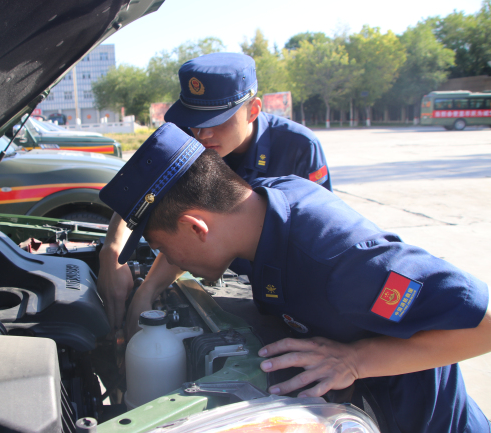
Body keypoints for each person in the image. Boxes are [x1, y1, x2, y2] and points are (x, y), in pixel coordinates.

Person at [99, 123, 491, 433]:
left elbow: (485, 325)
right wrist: (147, 291)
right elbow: (192, 242)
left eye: (163, 248)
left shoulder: (341, 263)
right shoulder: (252, 209)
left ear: (196, 227)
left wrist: (356, 360)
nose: (168, 259)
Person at [98, 52, 331, 333]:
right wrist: (113, 252)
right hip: (213, 272)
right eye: (194, 119)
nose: (202, 134)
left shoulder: (299, 147)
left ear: (253, 110)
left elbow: (318, 237)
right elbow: (144, 193)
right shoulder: (188, 134)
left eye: (217, 119)